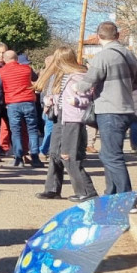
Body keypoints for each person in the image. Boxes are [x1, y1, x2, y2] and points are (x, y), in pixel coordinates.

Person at [85, 21, 137, 196]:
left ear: (98, 37)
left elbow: (88, 82)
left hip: (109, 110)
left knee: (112, 156)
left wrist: (74, 88)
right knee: (109, 154)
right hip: (126, 109)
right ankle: (111, 193)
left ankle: (125, 197)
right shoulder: (130, 55)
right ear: (117, 36)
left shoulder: (102, 56)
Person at [36, 47, 98, 202]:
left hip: (73, 120)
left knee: (69, 156)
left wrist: (76, 101)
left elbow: (87, 98)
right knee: (55, 154)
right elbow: (61, 97)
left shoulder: (78, 77)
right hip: (59, 117)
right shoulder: (60, 76)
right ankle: (52, 189)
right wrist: (50, 100)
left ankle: (87, 191)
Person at [0, 49, 43, 168]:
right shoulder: (27, 69)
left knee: (16, 131)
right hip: (29, 102)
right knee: (32, 130)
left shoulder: (1, 72)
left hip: (12, 104)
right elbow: (35, 78)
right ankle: (35, 157)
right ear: (16, 59)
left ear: (5, 59)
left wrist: (2, 104)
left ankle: (18, 158)